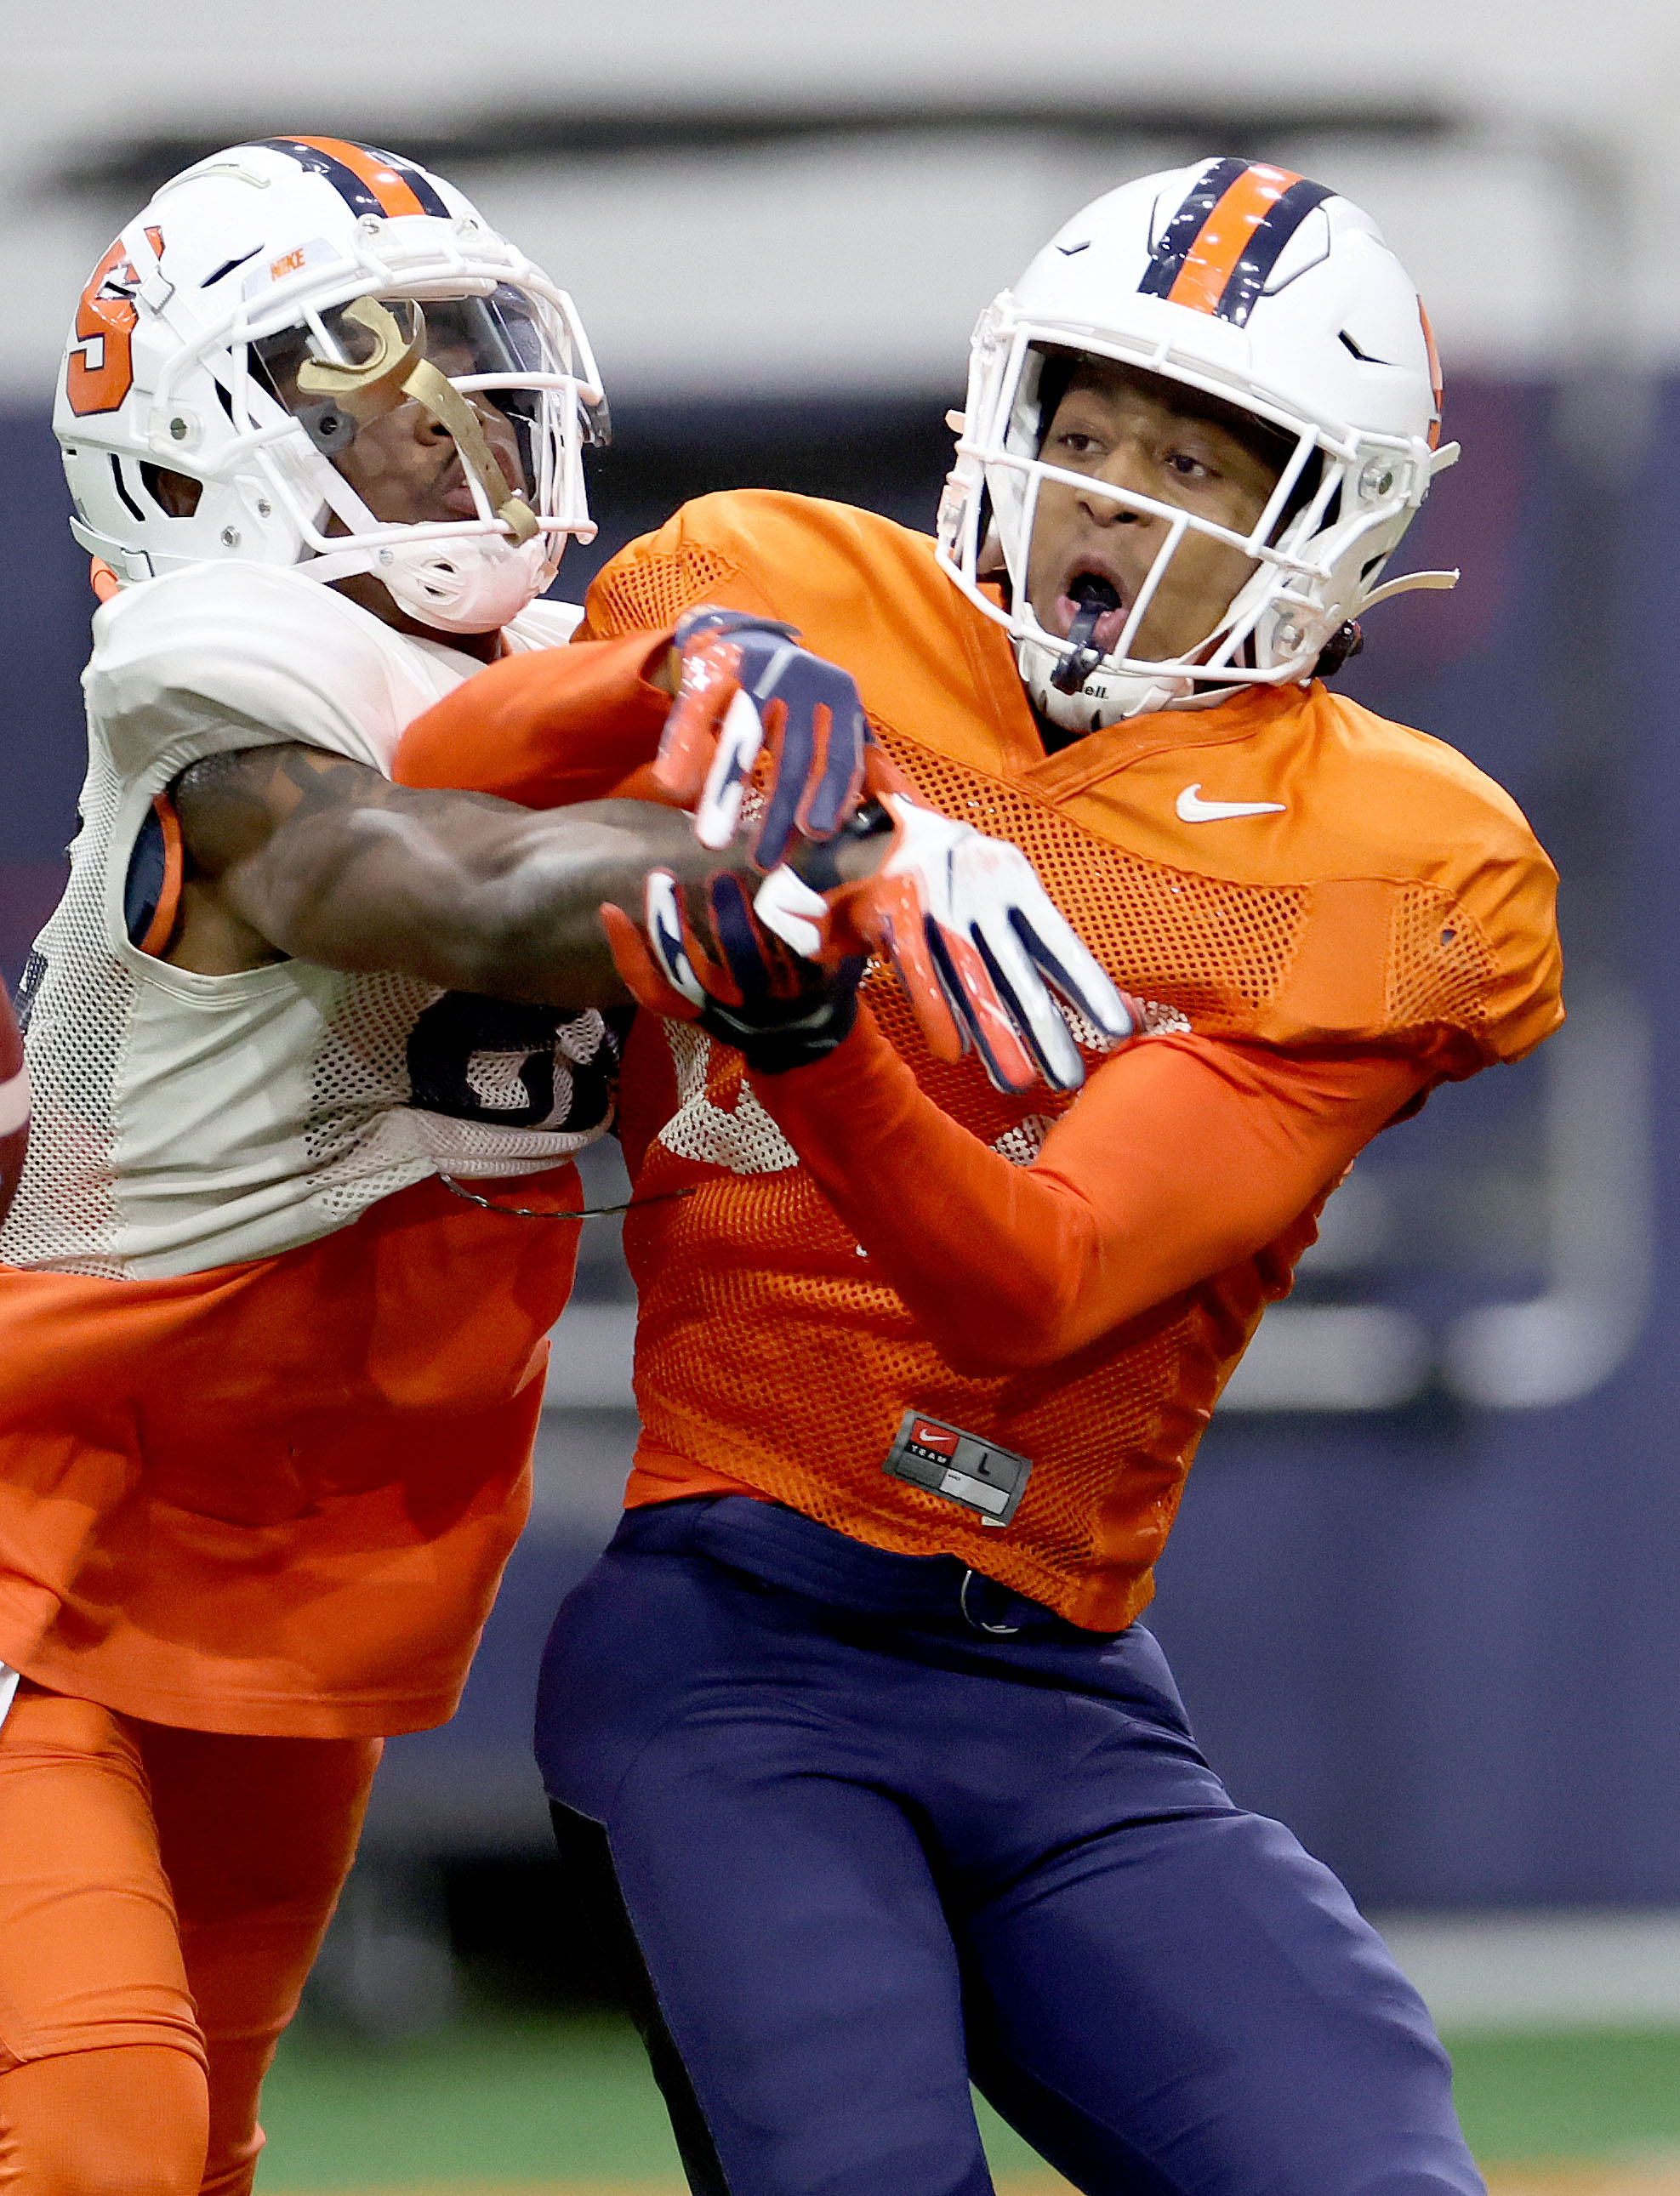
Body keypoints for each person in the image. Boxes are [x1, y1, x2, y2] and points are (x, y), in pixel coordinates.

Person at [0, 137, 1108, 2196]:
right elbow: (423, 881)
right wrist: (805, 863)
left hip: (295, 1564)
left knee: (198, 2146)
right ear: (199, 452)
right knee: (109, 2124)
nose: (449, 426)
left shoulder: (575, 665)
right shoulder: (218, 663)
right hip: (1, 1532)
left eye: (469, 376)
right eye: (362, 392)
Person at [395, 159, 1562, 2194]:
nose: (1110, 491)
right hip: (735, 1647)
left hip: (1052, 1688)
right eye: (1085, 428)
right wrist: (661, 685)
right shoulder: (775, 595)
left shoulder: (1384, 858)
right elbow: (412, 808)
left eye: (1192, 454)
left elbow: (1037, 1284)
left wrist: (801, 1024)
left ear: (1330, 518)